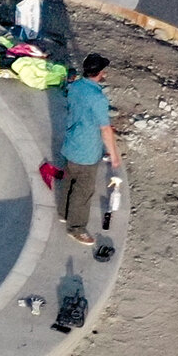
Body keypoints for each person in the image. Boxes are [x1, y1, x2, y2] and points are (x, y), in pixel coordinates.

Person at [57, 53, 121, 244]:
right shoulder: (98, 98)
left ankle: (64, 212)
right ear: (100, 73)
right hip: (87, 151)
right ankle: (76, 227)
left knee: (69, 181)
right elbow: (105, 129)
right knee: (83, 191)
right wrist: (114, 154)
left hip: (71, 144)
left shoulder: (75, 86)